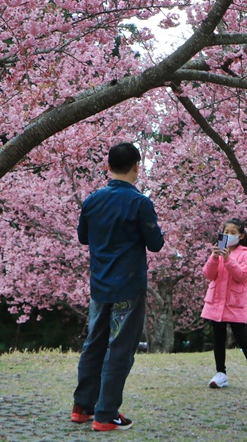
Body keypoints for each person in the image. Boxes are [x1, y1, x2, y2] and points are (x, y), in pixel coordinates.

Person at [71, 142, 165, 432]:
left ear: (107, 166)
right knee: (120, 348)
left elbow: (84, 238)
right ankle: (106, 414)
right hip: (128, 286)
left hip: (99, 285)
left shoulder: (92, 200)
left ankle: (82, 407)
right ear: (137, 166)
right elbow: (156, 244)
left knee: (94, 343)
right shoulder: (140, 203)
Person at [201, 218, 247, 393]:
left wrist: (228, 259)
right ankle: (220, 373)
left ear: (241, 236)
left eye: (232, 233)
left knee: (243, 339)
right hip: (216, 301)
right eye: (225, 232)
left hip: (234, 303)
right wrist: (215, 258)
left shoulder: (246, 255)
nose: (228, 235)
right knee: (218, 338)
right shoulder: (218, 251)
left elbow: (242, 276)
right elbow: (208, 274)